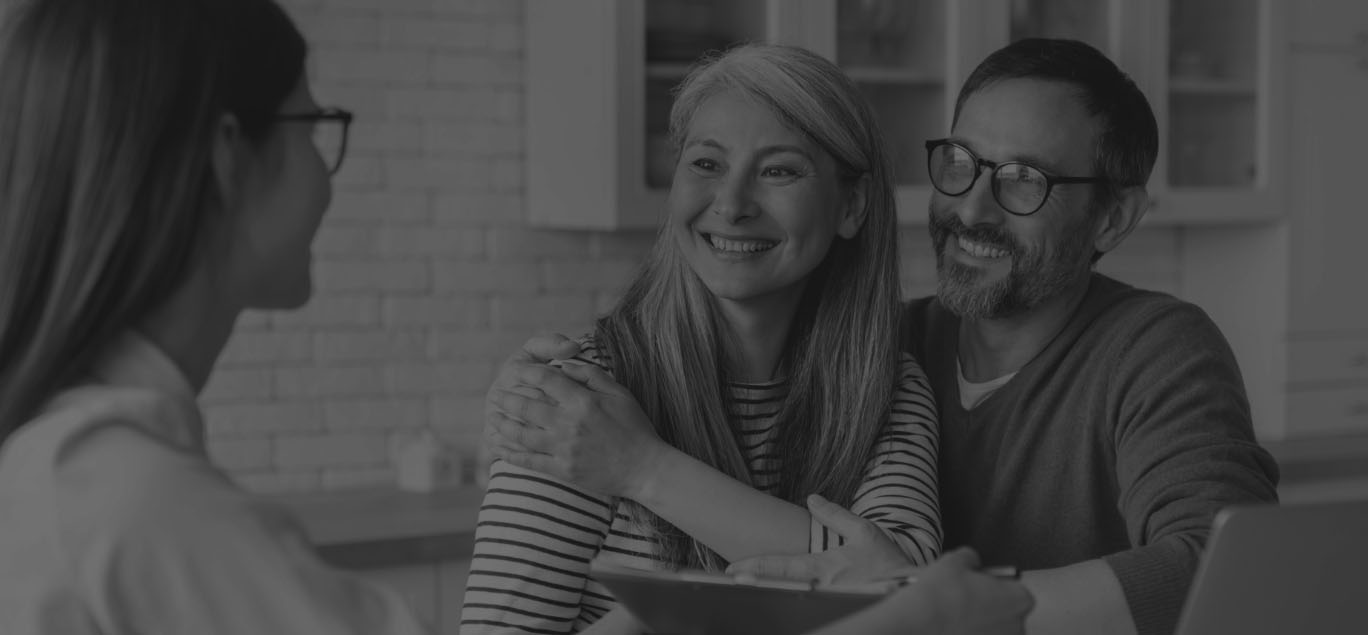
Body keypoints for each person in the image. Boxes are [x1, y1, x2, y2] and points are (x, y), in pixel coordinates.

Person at [490, 38, 1280, 635]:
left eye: (1025, 180)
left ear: (1113, 216)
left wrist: (952, 604)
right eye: (962, 163)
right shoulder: (895, 350)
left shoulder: (1152, 348)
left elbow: (1229, 568)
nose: (973, 209)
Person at [462, 43, 943, 634]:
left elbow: (904, 587)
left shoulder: (887, 387)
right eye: (706, 164)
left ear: (852, 204)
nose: (732, 204)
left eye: (779, 170)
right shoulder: (578, 403)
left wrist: (643, 468)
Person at [0, 1, 428, 633]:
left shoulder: (61, 467)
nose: (326, 179)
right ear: (226, 155)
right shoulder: (132, 502)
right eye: (311, 128)